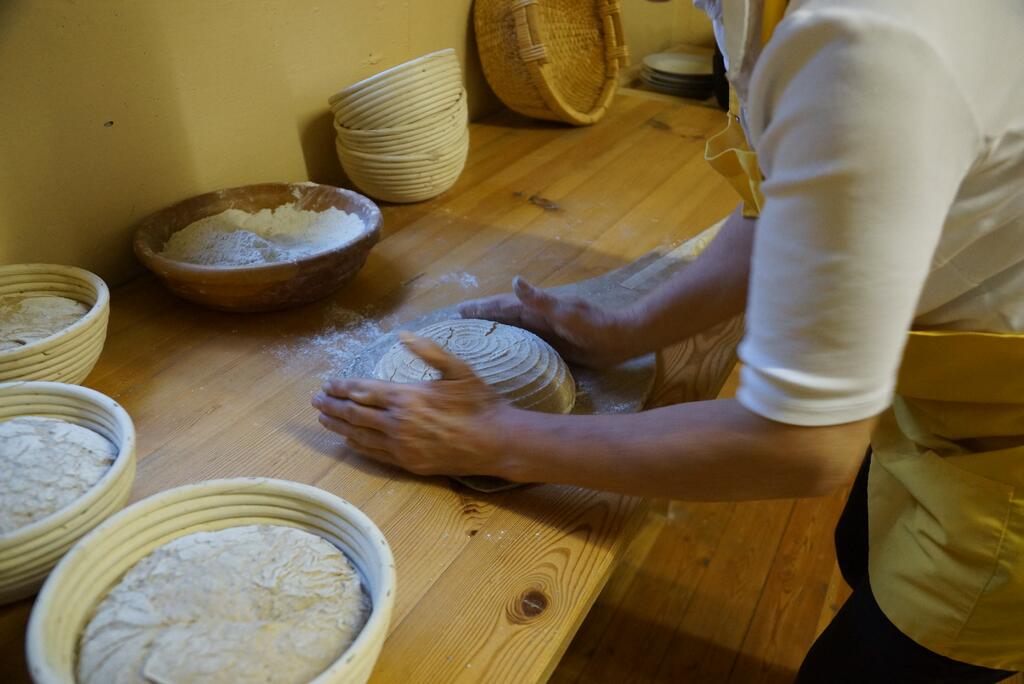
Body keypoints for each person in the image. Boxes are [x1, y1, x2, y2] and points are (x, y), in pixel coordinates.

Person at [312, 0, 1024, 679]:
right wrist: (627, 330)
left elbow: (801, 445)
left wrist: (496, 439)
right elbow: (789, 200)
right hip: (941, 401)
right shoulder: (801, 31)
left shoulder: (870, 45)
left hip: (1005, 467)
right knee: (860, 553)